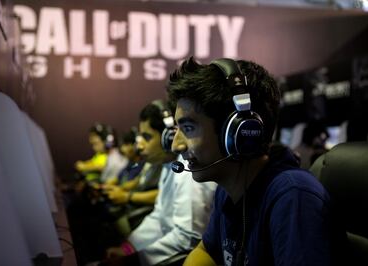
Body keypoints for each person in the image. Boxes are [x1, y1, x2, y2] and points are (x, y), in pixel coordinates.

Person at [167, 57, 346, 266]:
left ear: (240, 133)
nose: (175, 146)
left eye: (188, 129)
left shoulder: (294, 196)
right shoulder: (229, 187)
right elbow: (206, 251)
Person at [103, 100, 217, 266]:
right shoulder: (168, 165)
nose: (139, 145)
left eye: (147, 137)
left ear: (167, 136)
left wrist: (135, 260)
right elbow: (159, 218)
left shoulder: (188, 170)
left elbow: (188, 238)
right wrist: (128, 248)